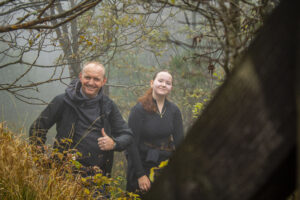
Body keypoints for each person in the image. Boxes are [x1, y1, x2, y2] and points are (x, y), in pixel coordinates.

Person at [29, 61, 133, 177]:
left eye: (96, 79)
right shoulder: (63, 101)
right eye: (87, 77)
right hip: (64, 174)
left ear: (104, 81)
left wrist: (114, 144)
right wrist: (40, 160)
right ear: (80, 77)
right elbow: (37, 128)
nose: (91, 83)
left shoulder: (108, 106)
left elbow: (127, 135)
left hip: (98, 177)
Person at [126, 70, 184, 193]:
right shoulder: (138, 110)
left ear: (171, 87)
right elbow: (131, 145)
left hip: (164, 165)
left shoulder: (174, 111)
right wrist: (140, 175)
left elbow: (180, 143)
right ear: (152, 83)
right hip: (142, 165)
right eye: (160, 81)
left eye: (168, 83)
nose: (163, 85)